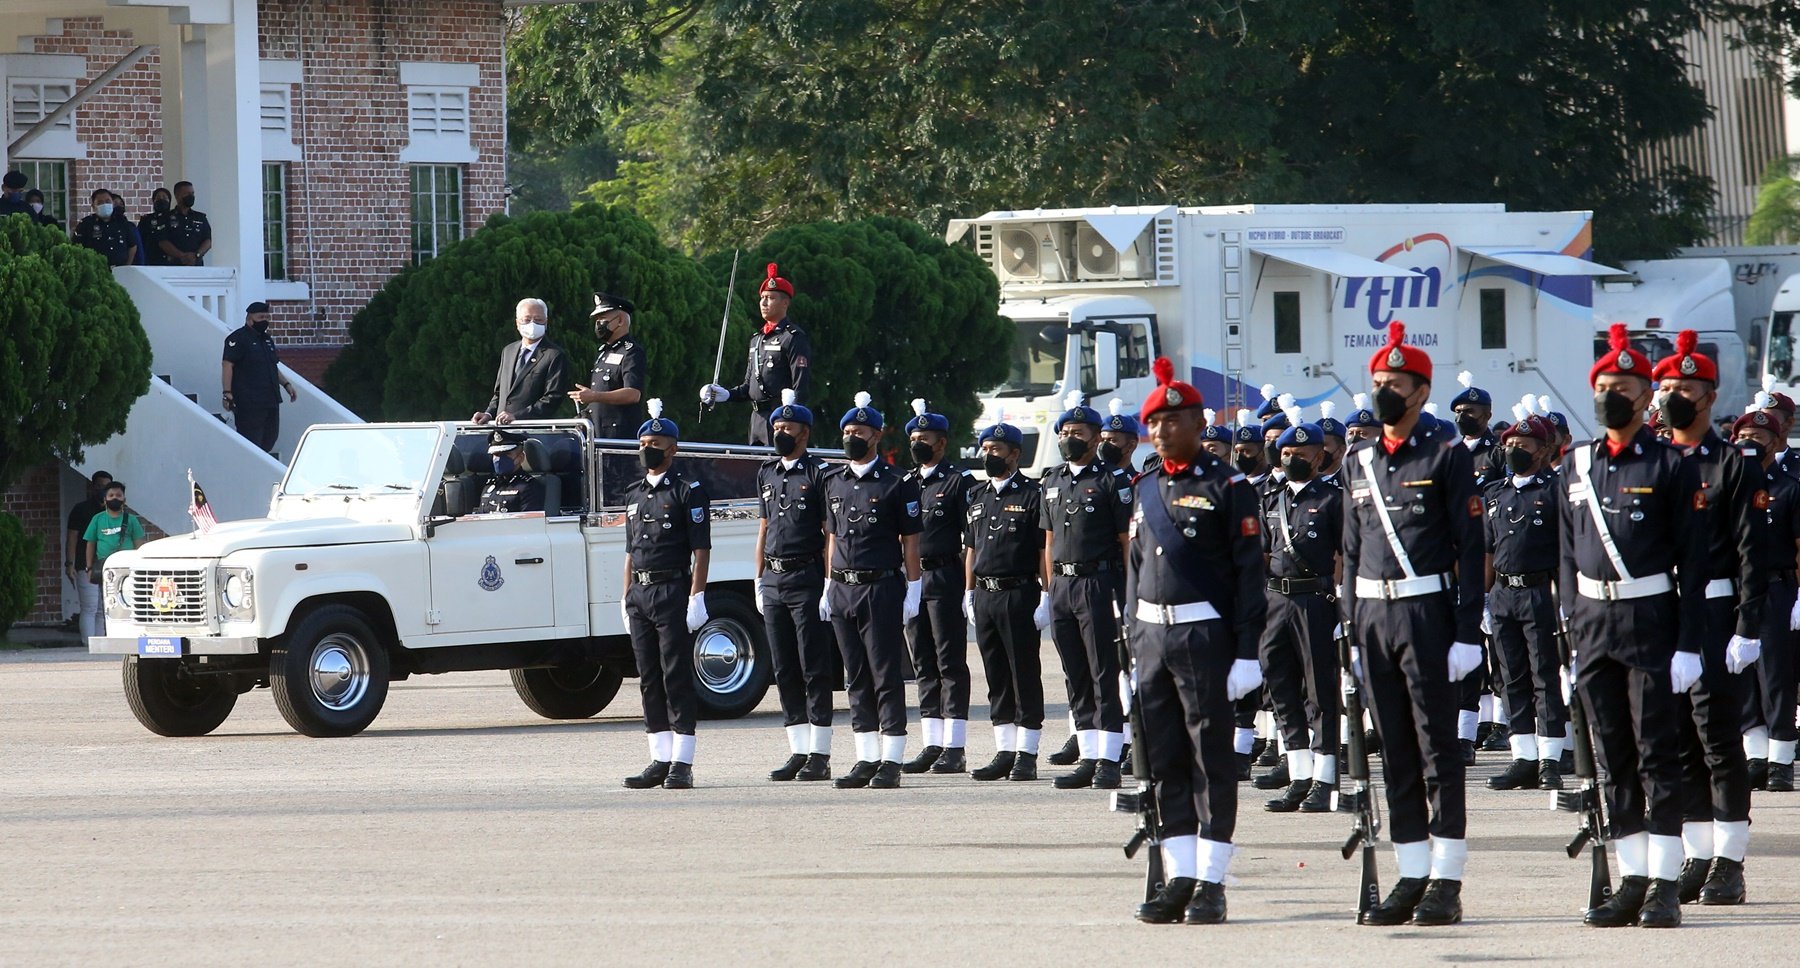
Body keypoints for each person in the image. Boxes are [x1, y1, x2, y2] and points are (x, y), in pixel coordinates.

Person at [1561, 323, 1710, 928]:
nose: (1610, 395)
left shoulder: (1671, 465)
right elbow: (1568, 555)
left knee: (1657, 753)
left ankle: (1666, 884)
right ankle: (1632, 878)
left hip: (1650, 620)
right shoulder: (1576, 463)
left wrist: (1690, 643)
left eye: (1623, 386)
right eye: (1604, 385)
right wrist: (1571, 628)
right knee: (1612, 754)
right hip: (1593, 620)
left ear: (1647, 398)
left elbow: (1694, 561)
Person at [1340, 320, 1484, 927]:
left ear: (1421, 391)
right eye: (1378, 381)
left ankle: (1446, 880)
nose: (1383, 391)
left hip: (1427, 611)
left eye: (1395, 382)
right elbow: (1349, 553)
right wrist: (1350, 629)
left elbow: (1471, 546)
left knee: (1436, 750)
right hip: (1373, 614)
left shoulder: (1446, 455)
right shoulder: (1358, 461)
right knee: (1393, 749)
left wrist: (1465, 632)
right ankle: (1411, 871)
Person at [1128, 357, 1267, 925]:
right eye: (1153, 424)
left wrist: (1245, 651)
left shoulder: (1226, 485)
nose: (1159, 432)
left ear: (1193, 421)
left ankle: (1211, 881)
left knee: (1211, 759)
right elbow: (1134, 568)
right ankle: (1179, 875)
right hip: (1152, 637)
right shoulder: (1144, 486)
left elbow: (1248, 574)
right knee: (1163, 759)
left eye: (1170, 421)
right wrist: (1133, 644)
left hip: (1204, 636)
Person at [1653, 330, 1763, 907]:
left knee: (1717, 734)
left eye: (1686, 388)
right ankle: (1697, 852)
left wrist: (1748, 626)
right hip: (1660, 609)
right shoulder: (1649, 460)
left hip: (1718, 609)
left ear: (1710, 396)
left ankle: (1730, 859)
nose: (1674, 396)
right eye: (1667, 386)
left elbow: (1752, 551)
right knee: (1673, 736)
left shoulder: (1731, 462)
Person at [820, 392, 923, 789]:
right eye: (847, 431)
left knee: (885, 674)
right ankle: (865, 757)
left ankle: (892, 759)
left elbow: (910, 540)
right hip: (843, 587)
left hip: (880, 588)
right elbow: (831, 537)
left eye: (859, 431)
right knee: (854, 676)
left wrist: (913, 588)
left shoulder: (897, 482)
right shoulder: (834, 481)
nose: (852, 437)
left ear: (876, 436)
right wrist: (829, 583)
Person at [1041, 392, 1132, 790]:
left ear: (1096, 438)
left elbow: (1126, 540)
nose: (1068, 438)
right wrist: (1047, 591)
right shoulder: (1052, 479)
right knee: (1074, 673)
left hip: (1100, 583)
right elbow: (1047, 542)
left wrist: (1128, 595)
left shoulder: (1112, 480)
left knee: (1103, 671)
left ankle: (1110, 757)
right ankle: (1089, 752)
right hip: (1062, 584)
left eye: (1076, 432)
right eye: (1064, 432)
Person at [620, 400, 711, 791]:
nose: (647, 448)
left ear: (672, 449)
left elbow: (701, 550)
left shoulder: (688, 491)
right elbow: (629, 551)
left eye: (655, 442)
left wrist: (697, 596)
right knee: (648, 676)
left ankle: (682, 762)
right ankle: (658, 756)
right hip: (640, 592)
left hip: (673, 589)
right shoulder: (634, 493)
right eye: (643, 441)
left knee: (675, 675)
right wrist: (624, 597)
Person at [1258, 410, 1343, 815]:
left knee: (1320, 692)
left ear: (1320, 456)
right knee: (1281, 688)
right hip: (1276, 601)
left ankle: (1325, 779)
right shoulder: (1271, 500)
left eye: (1302, 452)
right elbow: (1260, 554)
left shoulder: (1332, 499)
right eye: (1286, 451)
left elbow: (1346, 555)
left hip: (1315, 601)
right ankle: (1299, 775)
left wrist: (1343, 605)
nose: (1292, 457)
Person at [1481, 410, 1568, 792]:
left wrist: (1567, 602)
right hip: (1503, 594)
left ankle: (1550, 757)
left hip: (1540, 591)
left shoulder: (1556, 490)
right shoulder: (1495, 493)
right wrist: (1483, 600)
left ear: (1545, 449)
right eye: (1511, 444)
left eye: (1524, 445)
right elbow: (1487, 550)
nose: (1515, 449)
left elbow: (1568, 551)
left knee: (1544, 675)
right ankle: (1524, 756)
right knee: (1510, 677)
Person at [755, 389, 838, 782]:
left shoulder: (820, 473)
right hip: (774, 578)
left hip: (806, 578)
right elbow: (764, 527)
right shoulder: (766, 473)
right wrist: (758, 577)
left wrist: (827, 583)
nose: (779, 431)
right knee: (784, 667)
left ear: (804, 431)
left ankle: (820, 752)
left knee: (813, 666)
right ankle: (797, 749)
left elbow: (829, 533)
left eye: (787, 426)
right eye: (776, 426)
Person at [964, 421, 1051, 781]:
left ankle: (1027, 753)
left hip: (1019, 594)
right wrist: (967, 592)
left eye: (996, 450)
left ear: (1015, 454)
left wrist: (1047, 594)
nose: (989, 455)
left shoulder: (1033, 494)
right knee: (996, 675)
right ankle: (1004, 750)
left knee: (1023, 673)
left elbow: (1045, 548)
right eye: (985, 449)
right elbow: (970, 548)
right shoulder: (978, 496)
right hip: (985, 594)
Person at [901, 399, 975, 775]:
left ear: (941, 443)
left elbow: (973, 538)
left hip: (946, 576)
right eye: (914, 437)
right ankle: (932, 741)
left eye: (925, 438)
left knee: (949, 662)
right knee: (922, 662)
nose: (918, 444)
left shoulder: (958, 482)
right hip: (914, 578)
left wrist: (968, 586)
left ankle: (955, 746)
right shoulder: (907, 483)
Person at [1729, 408, 1800, 793]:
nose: (1750, 444)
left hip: (1776, 588)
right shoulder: (1732, 486)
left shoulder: (1789, 486)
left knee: (1776, 676)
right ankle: (1755, 756)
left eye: (1758, 438)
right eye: (1744, 438)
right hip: (1738, 590)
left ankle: (1780, 761)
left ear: (1775, 442)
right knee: (1742, 679)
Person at [698, 263, 813, 445]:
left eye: (771, 298)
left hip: (781, 418)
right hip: (756, 419)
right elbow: (748, 387)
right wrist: (726, 394)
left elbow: (800, 387)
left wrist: (791, 421)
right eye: (763, 298)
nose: (764, 303)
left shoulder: (792, 337)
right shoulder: (756, 339)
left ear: (785, 303)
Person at [473, 298, 571, 426]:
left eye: (538, 320)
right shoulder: (508, 351)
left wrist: (517, 417)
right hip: (501, 431)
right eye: (526, 319)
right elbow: (499, 393)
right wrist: (488, 414)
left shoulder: (554, 355)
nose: (532, 324)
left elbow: (552, 399)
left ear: (546, 323)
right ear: (517, 323)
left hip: (532, 433)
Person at [222, 301, 297, 454]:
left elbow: (272, 366)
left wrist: (286, 384)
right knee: (251, 442)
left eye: (267, 317)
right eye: (261, 317)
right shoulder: (238, 339)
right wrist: (227, 393)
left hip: (270, 400)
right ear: (250, 319)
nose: (265, 320)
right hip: (249, 403)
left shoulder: (267, 340)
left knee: (270, 438)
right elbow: (227, 365)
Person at [568, 292, 645, 440]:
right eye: (596, 320)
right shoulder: (604, 352)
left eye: (603, 319)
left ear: (620, 320)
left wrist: (594, 396)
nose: (598, 324)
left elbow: (633, 394)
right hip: (597, 434)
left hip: (618, 437)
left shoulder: (631, 352)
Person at [83, 481, 144, 635]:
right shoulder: (98, 519)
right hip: (106, 568)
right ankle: (109, 633)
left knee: (131, 600)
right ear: (105, 500)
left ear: (124, 499)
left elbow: (140, 544)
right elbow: (90, 543)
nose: (115, 498)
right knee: (107, 602)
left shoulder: (131, 520)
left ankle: (131, 632)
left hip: (128, 569)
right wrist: (89, 567)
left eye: (118, 495)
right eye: (111, 495)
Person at [65, 470, 112, 639]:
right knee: (90, 606)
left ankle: (99, 645)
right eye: (99, 486)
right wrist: (69, 563)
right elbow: (72, 537)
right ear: (93, 487)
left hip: (108, 565)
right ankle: (87, 645)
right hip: (86, 564)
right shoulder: (81, 509)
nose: (102, 490)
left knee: (103, 608)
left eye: (106, 487)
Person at [473, 431, 547, 513]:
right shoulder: (489, 485)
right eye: (496, 454)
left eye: (506, 454)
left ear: (520, 457)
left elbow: (528, 523)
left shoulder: (529, 487)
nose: (500, 459)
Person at [158, 180, 212, 266]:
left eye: (192, 193)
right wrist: (182, 256)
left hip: (196, 265)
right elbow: (163, 241)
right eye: (187, 194)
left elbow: (208, 240)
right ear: (177, 196)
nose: (191, 196)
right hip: (174, 265)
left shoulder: (200, 217)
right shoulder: (165, 218)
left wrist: (197, 255)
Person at [74, 189, 135, 266]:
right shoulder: (86, 224)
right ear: (93, 206)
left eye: (107, 201)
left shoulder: (122, 221)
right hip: (96, 271)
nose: (105, 204)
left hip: (120, 270)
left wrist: (127, 265)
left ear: (112, 203)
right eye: (100, 203)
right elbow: (77, 249)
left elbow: (132, 245)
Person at [138, 188, 174, 267]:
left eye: (164, 198)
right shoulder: (146, 219)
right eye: (158, 198)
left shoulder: (175, 219)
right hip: (151, 261)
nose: (161, 200)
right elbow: (140, 240)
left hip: (172, 262)